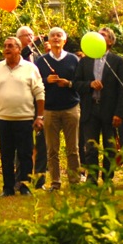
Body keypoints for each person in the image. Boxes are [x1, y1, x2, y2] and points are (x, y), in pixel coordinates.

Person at [0, 36, 45, 197]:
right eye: (5, 46)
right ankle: (8, 187)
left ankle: (25, 187)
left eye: (11, 46)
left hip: (24, 119)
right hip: (3, 118)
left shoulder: (30, 68)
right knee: (6, 154)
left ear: (19, 49)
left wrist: (40, 116)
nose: (7, 49)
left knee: (25, 154)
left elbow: (39, 93)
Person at [76, 27, 123, 184]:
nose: (99, 37)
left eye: (103, 35)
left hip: (109, 110)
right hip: (90, 109)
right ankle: (92, 178)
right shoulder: (85, 61)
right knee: (90, 146)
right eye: (98, 34)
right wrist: (90, 84)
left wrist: (119, 113)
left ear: (111, 41)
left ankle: (107, 177)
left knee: (109, 147)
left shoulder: (117, 61)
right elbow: (76, 83)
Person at [36, 27, 82, 189]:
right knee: (52, 150)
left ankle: (75, 181)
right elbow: (34, 84)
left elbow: (80, 82)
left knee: (73, 148)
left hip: (71, 107)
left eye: (59, 36)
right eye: (52, 36)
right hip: (49, 109)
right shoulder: (40, 61)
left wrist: (68, 83)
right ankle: (55, 182)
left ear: (65, 40)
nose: (56, 38)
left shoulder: (73, 60)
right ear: (48, 40)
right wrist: (46, 80)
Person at [18, 26, 48, 189]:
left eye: (32, 35)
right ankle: (21, 179)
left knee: (42, 142)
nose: (31, 37)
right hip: (22, 105)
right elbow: (23, 53)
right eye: (26, 35)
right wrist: (33, 43)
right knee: (23, 143)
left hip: (39, 104)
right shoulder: (18, 57)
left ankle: (40, 180)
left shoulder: (38, 57)